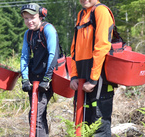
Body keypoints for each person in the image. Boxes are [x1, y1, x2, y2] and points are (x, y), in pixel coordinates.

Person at [69, 0, 115, 136]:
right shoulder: (81, 14)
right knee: (83, 121)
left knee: (99, 123)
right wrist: (74, 76)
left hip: (99, 77)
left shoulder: (101, 11)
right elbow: (74, 49)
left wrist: (93, 79)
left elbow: (102, 47)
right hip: (82, 76)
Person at [20, 3, 60, 137]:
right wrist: (25, 79)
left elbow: (53, 54)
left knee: (35, 114)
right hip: (33, 78)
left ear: (41, 16)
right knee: (36, 114)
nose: (29, 21)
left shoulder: (48, 30)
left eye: (32, 17)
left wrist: (47, 79)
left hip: (47, 77)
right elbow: (24, 57)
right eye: (26, 18)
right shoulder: (28, 34)